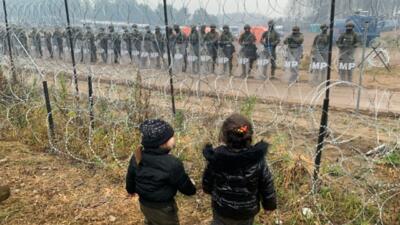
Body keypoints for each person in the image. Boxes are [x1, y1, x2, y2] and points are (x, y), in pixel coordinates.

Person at [202, 114, 277, 225]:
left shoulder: (216, 157)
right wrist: (269, 205)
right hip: (246, 213)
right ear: (249, 136)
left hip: (222, 210)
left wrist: (208, 190)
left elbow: (207, 182)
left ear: (224, 136)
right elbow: (266, 185)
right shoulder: (257, 160)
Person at [126, 119, 196, 225]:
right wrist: (192, 185)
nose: (174, 138)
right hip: (163, 209)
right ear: (163, 142)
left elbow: (130, 176)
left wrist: (130, 190)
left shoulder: (137, 155)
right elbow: (188, 190)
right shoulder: (172, 164)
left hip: (144, 204)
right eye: (172, 136)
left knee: (150, 221)